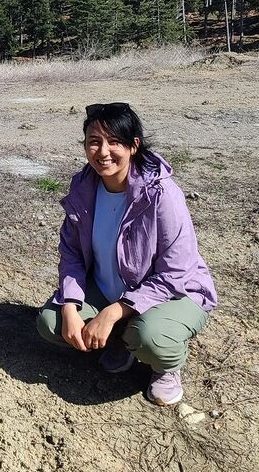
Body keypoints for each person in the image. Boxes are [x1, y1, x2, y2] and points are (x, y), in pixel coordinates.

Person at [36, 102, 217, 406]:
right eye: (94, 141)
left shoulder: (160, 194)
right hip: (111, 287)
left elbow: (176, 273)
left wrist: (114, 311)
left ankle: (166, 367)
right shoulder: (84, 187)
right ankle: (121, 336)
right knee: (51, 323)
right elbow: (71, 254)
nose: (103, 151)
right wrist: (69, 305)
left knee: (150, 338)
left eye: (114, 142)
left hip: (176, 292)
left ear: (133, 146)